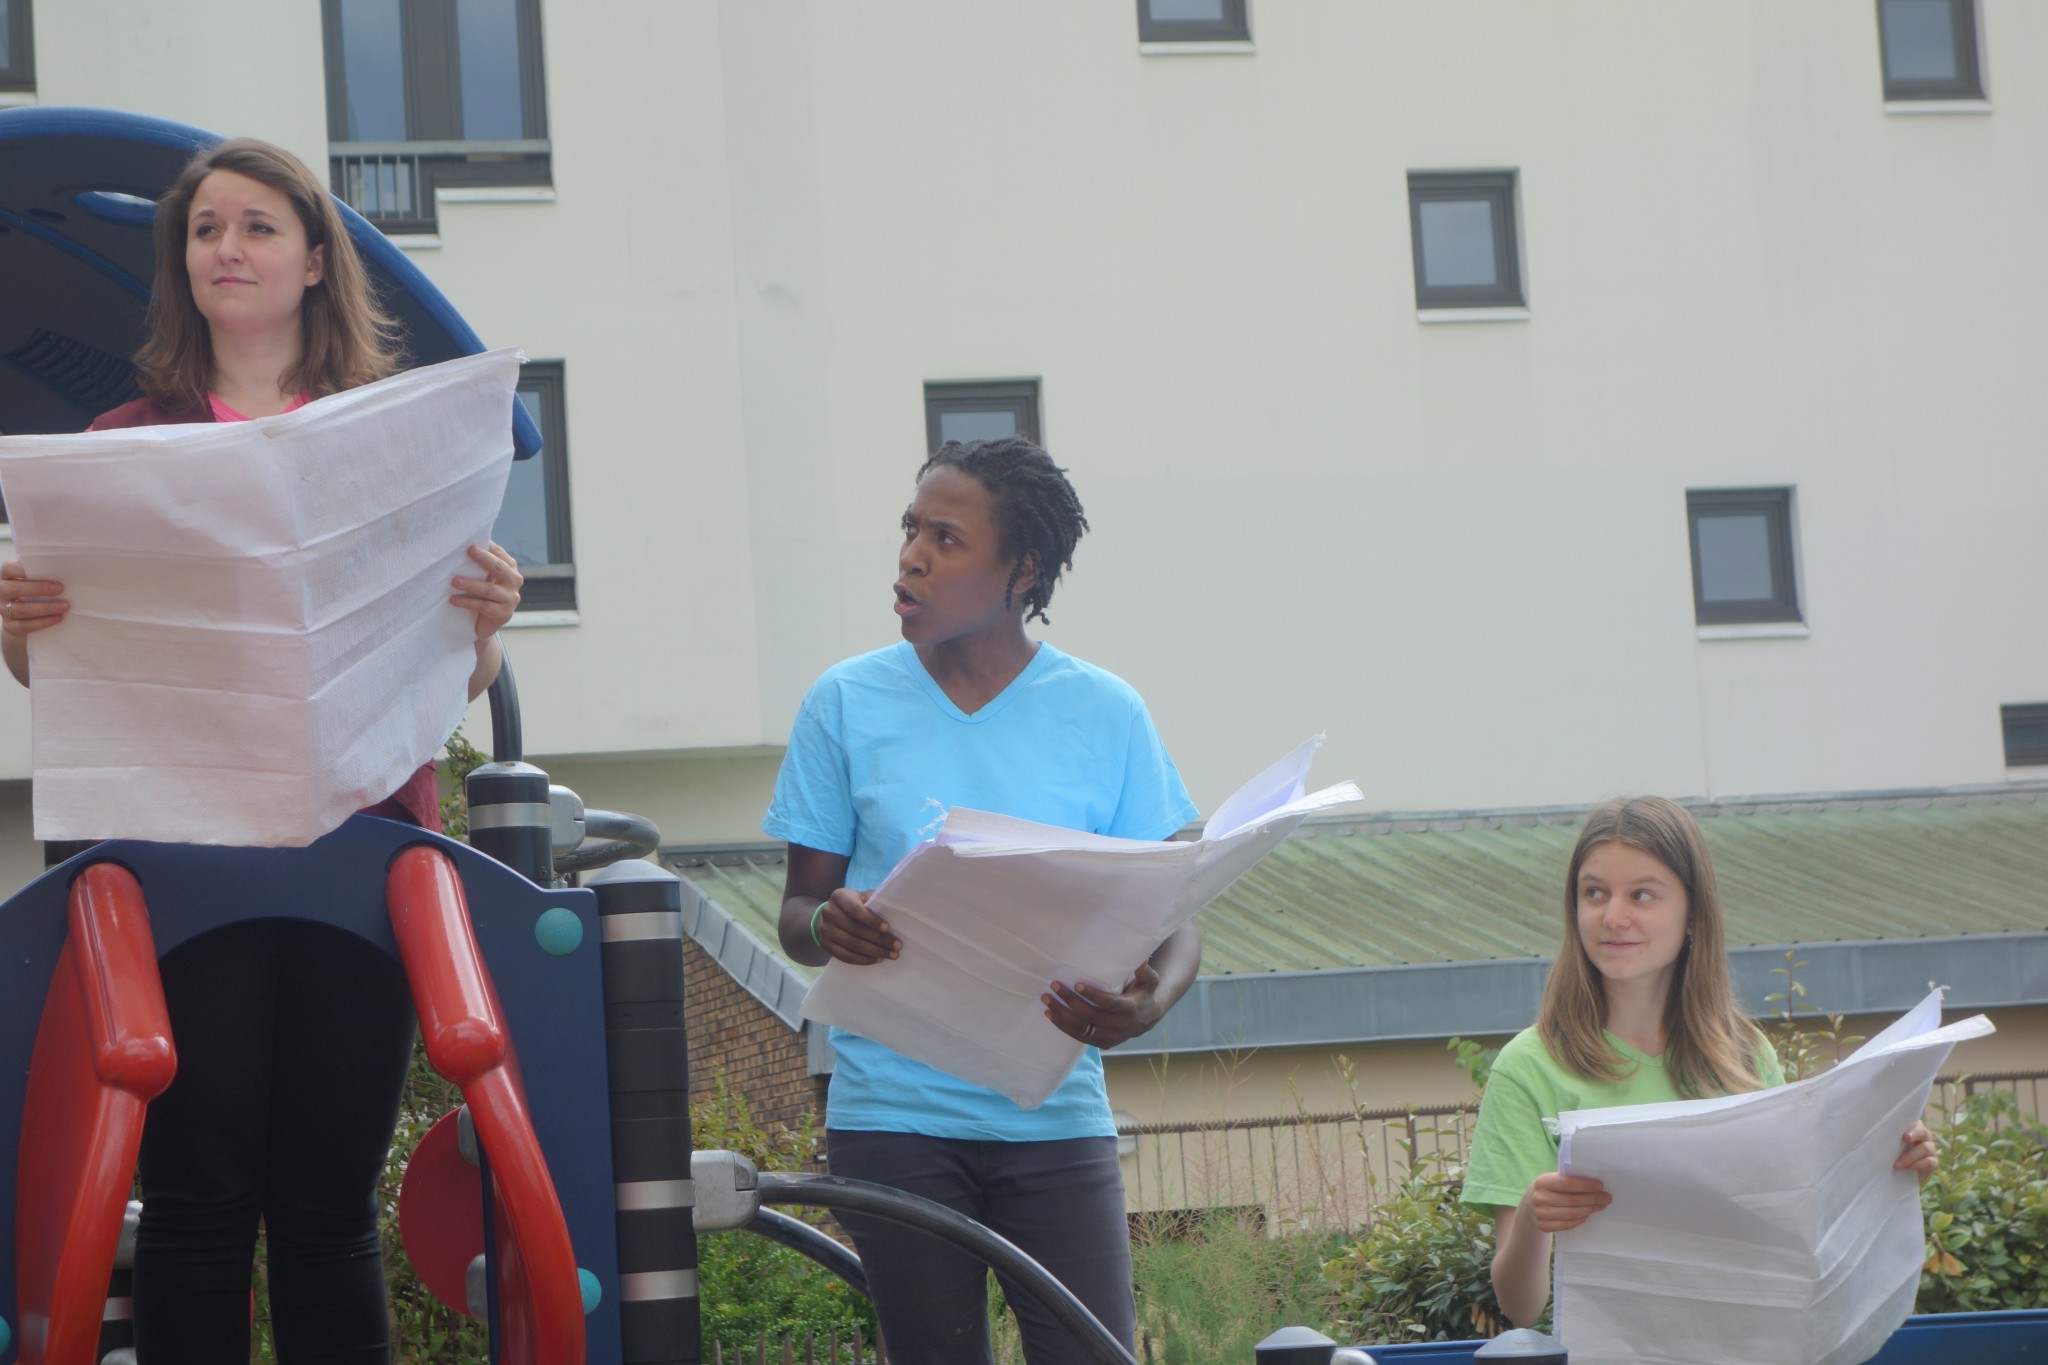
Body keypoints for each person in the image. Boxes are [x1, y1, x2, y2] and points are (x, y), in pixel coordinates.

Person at [0, 137, 522, 1362]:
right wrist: (19, 629)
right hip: (191, 861)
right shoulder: (122, 438)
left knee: (328, 1205)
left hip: (370, 844)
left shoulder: (399, 434)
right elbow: (65, 675)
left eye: (256, 226)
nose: (225, 249)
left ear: (311, 259)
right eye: (203, 231)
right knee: (199, 1199)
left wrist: (485, 627)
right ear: (180, 267)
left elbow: (457, 676)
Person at [766, 436, 1199, 1364]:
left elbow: (1175, 916)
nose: (912, 555)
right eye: (911, 529)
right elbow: (797, 916)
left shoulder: (1107, 712)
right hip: (892, 1117)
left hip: (1056, 1112)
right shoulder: (843, 704)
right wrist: (831, 919)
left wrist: (1145, 1005)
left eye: (948, 538)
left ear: (1023, 568)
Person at [1461, 795, 1940, 1329]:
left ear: (1692, 914)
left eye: (1642, 894)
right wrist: (1532, 1218)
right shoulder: (1528, 1066)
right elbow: (1518, 1307)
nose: (1612, 916)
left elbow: (1800, 1239)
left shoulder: (1744, 1056)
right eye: (1594, 893)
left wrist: (1883, 1171)